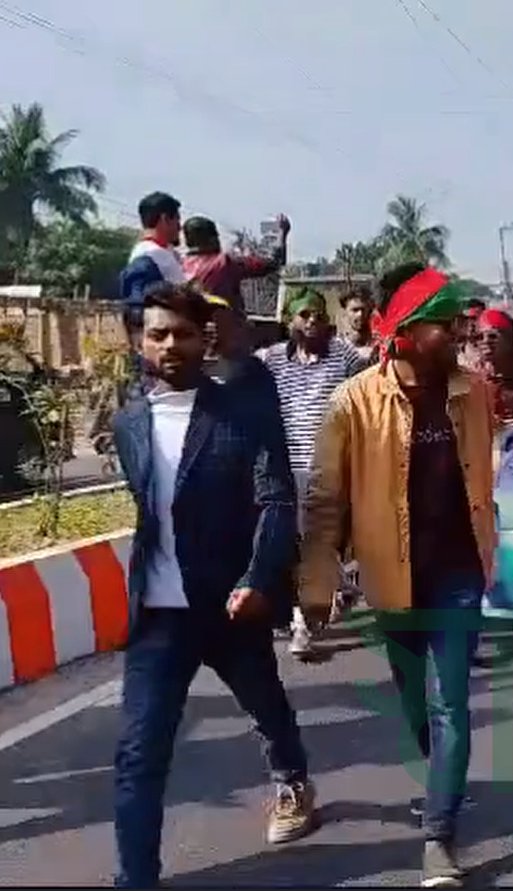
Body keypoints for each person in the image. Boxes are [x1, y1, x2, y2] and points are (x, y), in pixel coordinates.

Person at [300, 263, 496, 886]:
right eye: (443, 323)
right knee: (416, 703)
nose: (457, 332)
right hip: (393, 578)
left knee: (450, 703)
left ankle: (438, 835)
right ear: (406, 330)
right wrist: (316, 584)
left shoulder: (474, 392)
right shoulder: (354, 402)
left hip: (459, 576)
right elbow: (326, 500)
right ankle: (443, 779)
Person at [111, 283, 313, 888]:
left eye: (183, 334)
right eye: (158, 334)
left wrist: (258, 578)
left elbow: (276, 500)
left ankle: (292, 780)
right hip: (159, 613)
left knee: (267, 707)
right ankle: (136, 877)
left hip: (231, 606)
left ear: (206, 340)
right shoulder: (129, 423)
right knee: (139, 754)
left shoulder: (243, 414)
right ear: (140, 342)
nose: (170, 345)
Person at [258, 289, 370, 657]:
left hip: (331, 469)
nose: (312, 322)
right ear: (289, 320)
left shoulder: (344, 357)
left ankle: (318, 606)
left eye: (318, 316)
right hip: (287, 471)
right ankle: (304, 620)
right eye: (304, 315)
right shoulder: (272, 360)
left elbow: (366, 399)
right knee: (297, 547)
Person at [181, 214, 289, 306]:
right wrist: (281, 234)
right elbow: (273, 263)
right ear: (212, 239)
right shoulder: (225, 263)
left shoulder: (179, 265)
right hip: (225, 322)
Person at [340, 288, 378, 364]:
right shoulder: (338, 347)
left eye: (363, 309)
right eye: (355, 310)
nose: (360, 314)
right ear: (345, 312)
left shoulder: (379, 345)